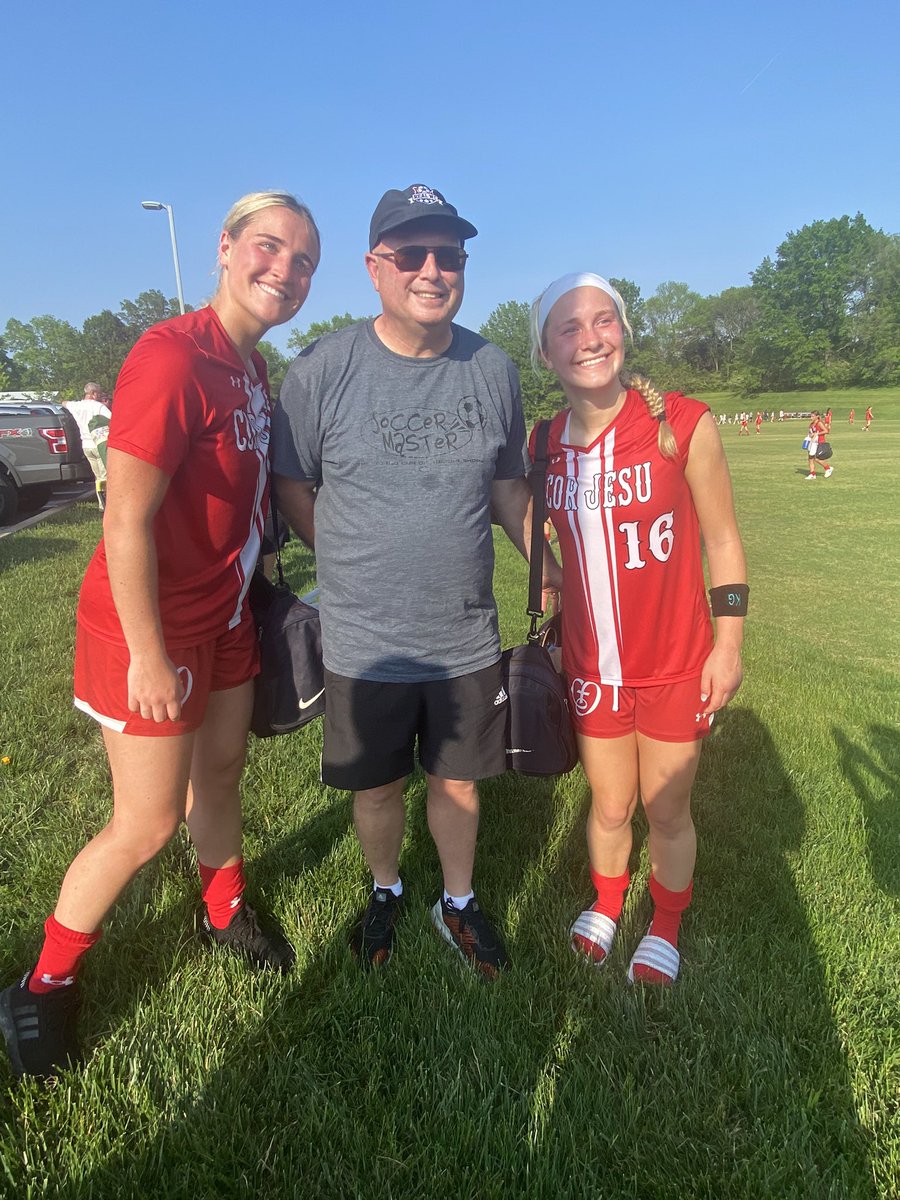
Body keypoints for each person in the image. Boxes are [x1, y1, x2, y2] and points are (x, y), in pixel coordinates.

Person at [0, 190, 320, 1081]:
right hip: (152, 627)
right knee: (142, 825)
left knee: (220, 774)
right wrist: (146, 652)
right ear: (225, 247)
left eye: (303, 261)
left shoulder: (252, 367)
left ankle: (223, 909)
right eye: (269, 247)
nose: (285, 271)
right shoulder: (173, 357)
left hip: (225, 615)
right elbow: (124, 520)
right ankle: (42, 983)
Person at [273, 183, 559, 981]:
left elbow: (509, 489)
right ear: (375, 267)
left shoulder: (491, 369)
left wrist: (551, 573)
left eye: (449, 255)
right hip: (363, 638)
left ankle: (457, 902)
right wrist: (340, 554)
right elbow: (290, 481)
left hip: (462, 630)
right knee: (376, 788)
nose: (433, 270)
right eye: (411, 254)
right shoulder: (323, 368)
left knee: (459, 784)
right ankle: (387, 888)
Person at [528, 272, 747, 986]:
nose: (590, 338)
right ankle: (608, 901)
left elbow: (723, 540)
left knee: (666, 807)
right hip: (593, 668)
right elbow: (519, 514)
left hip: (676, 663)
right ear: (546, 353)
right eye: (569, 327)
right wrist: (548, 568)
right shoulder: (543, 444)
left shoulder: (682, 422)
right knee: (611, 803)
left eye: (603, 320)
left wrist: (729, 645)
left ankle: (667, 922)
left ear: (622, 331)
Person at [66, 383, 112, 509]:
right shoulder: (98, 406)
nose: (100, 396)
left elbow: (64, 403)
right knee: (106, 476)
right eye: (99, 393)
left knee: (98, 477)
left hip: (86, 446)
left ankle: (102, 504)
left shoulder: (76, 406)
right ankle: (109, 504)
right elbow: (112, 420)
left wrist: (66, 402)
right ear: (93, 393)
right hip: (99, 444)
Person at [805, 410, 833, 479]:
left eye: (812, 416)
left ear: (817, 416)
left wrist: (817, 434)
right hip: (812, 442)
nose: (811, 418)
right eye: (811, 416)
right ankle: (812, 474)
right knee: (810, 458)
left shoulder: (819, 423)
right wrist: (810, 435)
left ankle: (828, 468)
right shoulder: (811, 424)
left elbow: (826, 431)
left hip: (819, 442)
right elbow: (810, 433)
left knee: (817, 458)